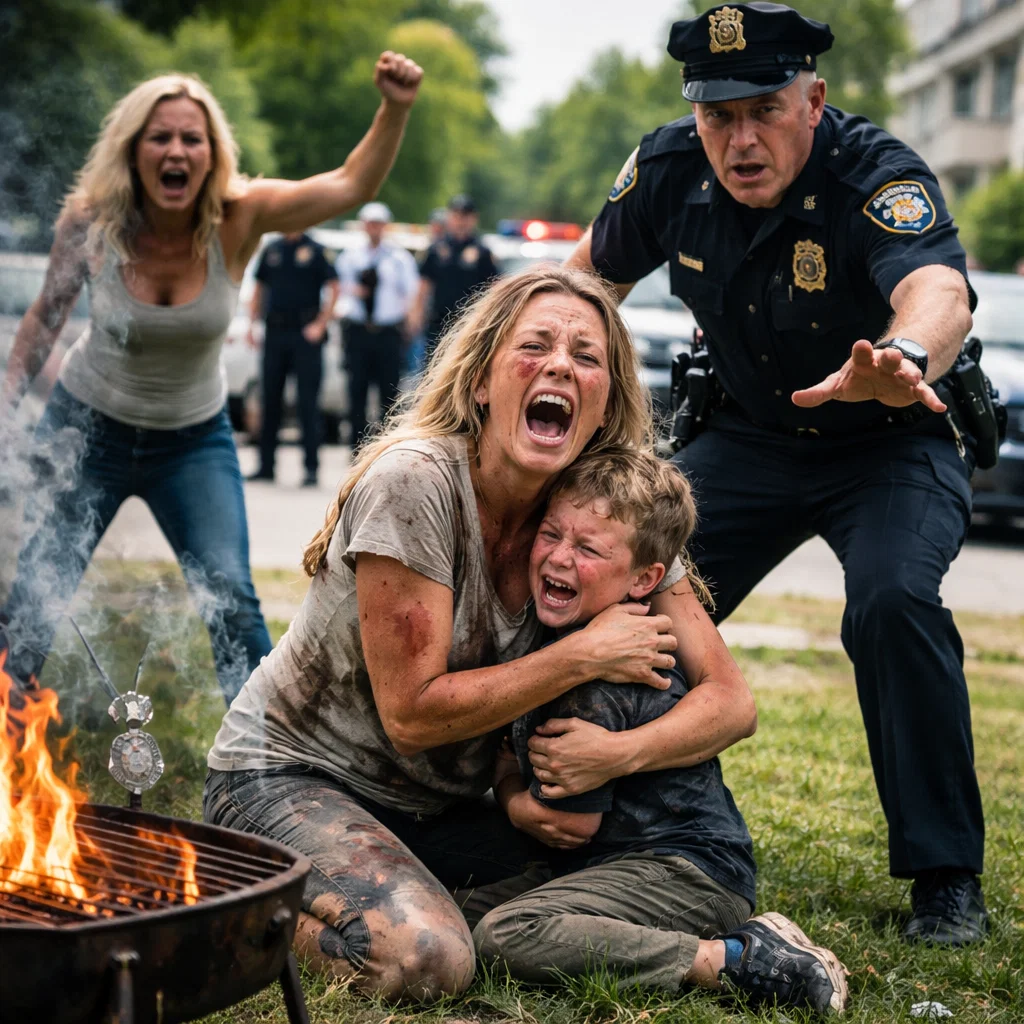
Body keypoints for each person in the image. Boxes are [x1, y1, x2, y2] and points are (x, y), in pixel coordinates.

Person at [204, 265, 758, 1002]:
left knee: (541, 921)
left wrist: (615, 754)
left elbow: (730, 702)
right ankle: (217, 900)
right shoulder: (416, 483)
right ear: (481, 383)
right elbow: (412, 715)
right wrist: (581, 655)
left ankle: (746, 952)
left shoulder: (604, 509)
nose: (560, 364)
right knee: (423, 961)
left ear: (604, 404)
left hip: (445, 809)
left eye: (587, 357)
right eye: (534, 346)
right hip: (291, 776)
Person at [566, 2, 987, 945]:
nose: (739, 139)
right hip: (749, 437)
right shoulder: (671, 167)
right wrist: (547, 362)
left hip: (887, 438)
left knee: (891, 602)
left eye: (764, 108)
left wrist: (907, 355)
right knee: (618, 596)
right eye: (719, 116)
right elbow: (585, 279)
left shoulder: (875, 173)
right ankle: (608, 819)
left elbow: (940, 290)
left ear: (814, 99)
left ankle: (946, 877)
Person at [0, 53, 423, 703]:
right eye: (160, 136)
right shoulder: (91, 222)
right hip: (86, 431)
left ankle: (262, 760)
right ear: (134, 149)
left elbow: (349, 186)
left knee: (231, 599)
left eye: (191, 138)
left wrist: (394, 107)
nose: (176, 150)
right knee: (34, 598)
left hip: (190, 443)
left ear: (211, 152)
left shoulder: (241, 215)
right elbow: (42, 321)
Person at [465, 447, 848, 1015]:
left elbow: (567, 824)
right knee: (454, 916)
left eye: (589, 548)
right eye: (551, 534)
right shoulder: (573, 642)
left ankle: (743, 961)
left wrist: (507, 788)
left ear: (646, 579)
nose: (559, 558)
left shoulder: (593, 679)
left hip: (686, 874)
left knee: (506, 934)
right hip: (614, 866)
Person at [247, 231, 340, 486]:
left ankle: (311, 468)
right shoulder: (272, 248)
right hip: (275, 332)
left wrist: (321, 324)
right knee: (270, 400)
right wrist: (252, 323)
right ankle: (266, 466)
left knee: (307, 402)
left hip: (305, 334)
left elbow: (334, 287)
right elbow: (260, 285)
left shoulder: (317, 249)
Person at [336, 201, 419, 448]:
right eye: (370, 223)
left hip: (387, 331)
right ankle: (357, 447)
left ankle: (386, 447)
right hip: (359, 329)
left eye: (379, 224)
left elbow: (411, 293)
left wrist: (410, 324)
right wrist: (356, 291)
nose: (374, 228)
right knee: (356, 391)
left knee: (389, 393)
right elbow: (336, 289)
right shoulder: (351, 256)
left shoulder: (398, 258)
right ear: (363, 225)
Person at [410, 194, 499, 358]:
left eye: (465, 216)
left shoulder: (482, 252)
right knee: (433, 371)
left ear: (473, 218)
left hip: (471, 324)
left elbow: (494, 289)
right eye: (456, 215)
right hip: (438, 323)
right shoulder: (436, 249)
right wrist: (416, 315)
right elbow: (423, 286)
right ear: (449, 217)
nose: (461, 221)